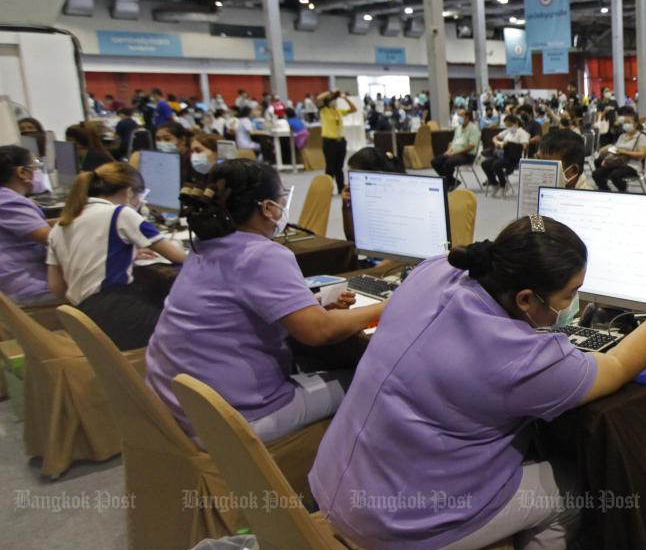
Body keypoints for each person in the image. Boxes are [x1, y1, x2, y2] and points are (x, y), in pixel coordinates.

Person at [310, 217, 646, 550]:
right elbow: (619, 365)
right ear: (527, 298)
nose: (571, 306)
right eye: (568, 296)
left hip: (334, 484)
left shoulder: (438, 269)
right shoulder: (522, 359)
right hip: (389, 527)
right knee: (575, 489)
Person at [146, 160, 384, 441]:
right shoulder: (261, 255)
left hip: (180, 408)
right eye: (282, 198)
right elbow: (318, 332)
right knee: (371, 381)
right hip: (235, 418)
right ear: (267, 207)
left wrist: (312, 311)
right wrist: (391, 304)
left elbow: (240, 312)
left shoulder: (203, 247)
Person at [45, 162, 186, 350]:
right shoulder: (120, 213)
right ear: (129, 193)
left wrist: (125, 254)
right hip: (114, 311)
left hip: (84, 315)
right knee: (185, 327)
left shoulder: (61, 225)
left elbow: (56, 287)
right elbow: (179, 257)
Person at [0, 145, 53, 305]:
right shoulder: (9, 201)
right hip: (28, 290)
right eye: (35, 167)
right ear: (22, 172)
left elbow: (32, 226)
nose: (38, 172)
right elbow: (53, 240)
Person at [592, 107, 646, 192]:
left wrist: (624, 152)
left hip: (632, 165)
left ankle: (623, 190)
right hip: (617, 162)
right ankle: (606, 191)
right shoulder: (622, 136)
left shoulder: (641, 137)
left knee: (615, 175)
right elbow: (616, 148)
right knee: (596, 174)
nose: (626, 125)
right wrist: (608, 154)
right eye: (625, 123)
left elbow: (641, 155)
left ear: (636, 123)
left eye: (628, 122)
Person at [432, 107, 481, 192]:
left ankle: (448, 184)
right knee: (435, 161)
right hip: (454, 153)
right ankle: (452, 181)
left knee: (448, 162)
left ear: (467, 117)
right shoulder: (458, 128)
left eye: (461, 116)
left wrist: (454, 153)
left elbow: (471, 147)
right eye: (458, 116)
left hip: (467, 155)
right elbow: (453, 142)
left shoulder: (474, 128)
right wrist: (449, 150)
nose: (459, 118)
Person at [318, 90, 358, 191]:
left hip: (341, 141)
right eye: (333, 100)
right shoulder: (324, 111)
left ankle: (341, 188)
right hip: (329, 142)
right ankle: (327, 189)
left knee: (339, 167)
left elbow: (354, 109)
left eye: (335, 100)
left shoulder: (338, 111)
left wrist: (345, 98)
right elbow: (319, 98)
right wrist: (331, 92)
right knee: (330, 167)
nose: (334, 102)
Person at [482, 114, 530, 189]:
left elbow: (524, 146)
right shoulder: (507, 131)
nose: (508, 127)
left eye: (509, 125)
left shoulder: (522, 133)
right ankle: (494, 183)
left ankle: (503, 184)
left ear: (516, 123)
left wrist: (510, 145)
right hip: (502, 156)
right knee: (484, 164)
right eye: (507, 125)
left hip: (513, 159)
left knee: (496, 165)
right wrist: (497, 142)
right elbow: (495, 137)